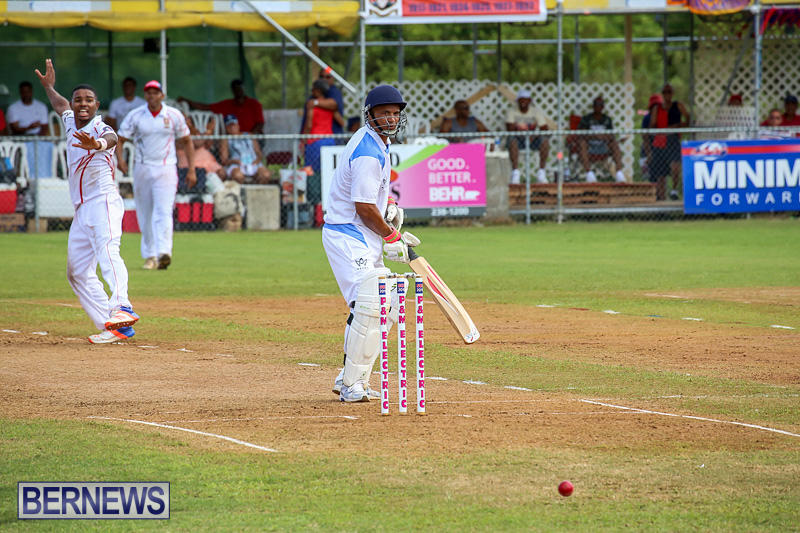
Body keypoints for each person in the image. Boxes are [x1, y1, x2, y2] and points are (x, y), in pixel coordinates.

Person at [322, 84, 421, 403]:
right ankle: (351, 386)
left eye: (395, 113)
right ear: (370, 115)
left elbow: (374, 194)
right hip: (347, 233)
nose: (391, 118)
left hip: (361, 234)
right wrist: (391, 235)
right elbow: (364, 208)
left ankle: (352, 377)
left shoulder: (380, 142)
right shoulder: (367, 150)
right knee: (371, 303)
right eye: (384, 113)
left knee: (388, 301)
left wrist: (388, 205)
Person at [35, 58, 140, 344]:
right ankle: (114, 326)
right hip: (82, 210)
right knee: (77, 272)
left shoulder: (99, 128)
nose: (83, 104)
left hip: (102, 202)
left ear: (97, 105)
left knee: (108, 251)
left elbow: (111, 138)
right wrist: (49, 88)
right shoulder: (70, 120)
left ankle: (123, 306)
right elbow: (60, 106)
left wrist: (98, 145)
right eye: (78, 99)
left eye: (89, 100)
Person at [118, 80, 195, 271]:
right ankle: (150, 255)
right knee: (145, 213)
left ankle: (164, 253)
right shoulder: (136, 115)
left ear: (162, 95)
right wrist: (120, 160)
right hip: (143, 166)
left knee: (164, 211)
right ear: (145, 95)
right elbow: (120, 139)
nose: (152, 96)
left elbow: (187, 141)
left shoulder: (173, 115)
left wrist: (192, 169)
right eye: (149, 93)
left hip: (166, 167)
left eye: (155, 93)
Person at [649, 83, 690, 201]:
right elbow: (652, 125)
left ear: (672, 93)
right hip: (661, 140)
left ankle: (674, 190)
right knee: (660, 172)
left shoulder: (678, 105)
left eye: (669, 92)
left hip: (673, 139)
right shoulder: (657, 108)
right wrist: (661, 131)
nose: (667, 94)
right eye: (665, 92)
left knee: (675, 166)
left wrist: (679, 126)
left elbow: (687, 118)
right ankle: (661, 195)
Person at [179, 79, 264, 133]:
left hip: (252, 137)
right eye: (235, 88)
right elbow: (206, 107)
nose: (238, 90)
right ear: (232, 90)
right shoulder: (227, 104)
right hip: (233, 139)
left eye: (240, 88)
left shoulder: (254, 104)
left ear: (244, 89)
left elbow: (260, 123)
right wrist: (187, 101)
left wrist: (248, 136)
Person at [6, 80, 52, 178]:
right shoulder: (13, 108)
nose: (26, 94)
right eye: (24, 92)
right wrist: (29, 127)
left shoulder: (41, 106)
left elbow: (44, 128)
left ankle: (46, 177)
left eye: (28, 91)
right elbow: (14, 129)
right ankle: (28, 177)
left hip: (38, 138)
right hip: (21, 139)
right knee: (29, 147)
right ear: (20, 93)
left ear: (32, 92)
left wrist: (37, 138)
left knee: (49, 146)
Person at [576, 96, 626, 183]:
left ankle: (619, 172)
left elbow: (611, 135)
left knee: (614, 143)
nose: (598, 107)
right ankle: (589, 174)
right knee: (582, 143)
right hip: (590, 146)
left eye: (600, 105)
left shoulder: (607, 120)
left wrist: (604, 136)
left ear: (603, 107)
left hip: (604, 146)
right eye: (596, 105)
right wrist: (595, 136)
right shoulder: (586, 119)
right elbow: (581, 134)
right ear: (593, 106)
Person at [505, 89, 550, 185]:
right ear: (518, 101)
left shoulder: (536, 111)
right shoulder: (512, 111)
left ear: (530, 101)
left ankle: (541, 172)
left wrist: (533, 135)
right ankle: (515, 173)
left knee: (545, 141)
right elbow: (509, 129)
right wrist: (521, 130)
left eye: (526, 99)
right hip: (518, 139)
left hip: (532, 139)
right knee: (512, 140)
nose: (523, 102)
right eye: (521, 99)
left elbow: (545, 129)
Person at [218, 115, 273, 184]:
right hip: (237, 164)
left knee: (266, 175)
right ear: (226, 128)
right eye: (229, 126)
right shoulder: (226, 139)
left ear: (238, 125)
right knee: (238, 176)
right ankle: (240, 190)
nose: (232, 127)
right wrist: (234, 161)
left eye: (234, 125)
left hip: (253, 162)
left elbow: (258, 152)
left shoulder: (249, 135)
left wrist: (257, 160)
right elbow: (224, 160)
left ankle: (258, 189)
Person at [303, 80, 340, 174]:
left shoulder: (312, 106)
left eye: (313, 90)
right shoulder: (330, 106)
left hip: (314, 140)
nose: (312, 92)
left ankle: (314, 184)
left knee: (312, 171)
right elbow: (342, 122)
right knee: (328, 170)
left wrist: (304, 140)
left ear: (318, 91)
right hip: (329, 140)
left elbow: (309, 125)